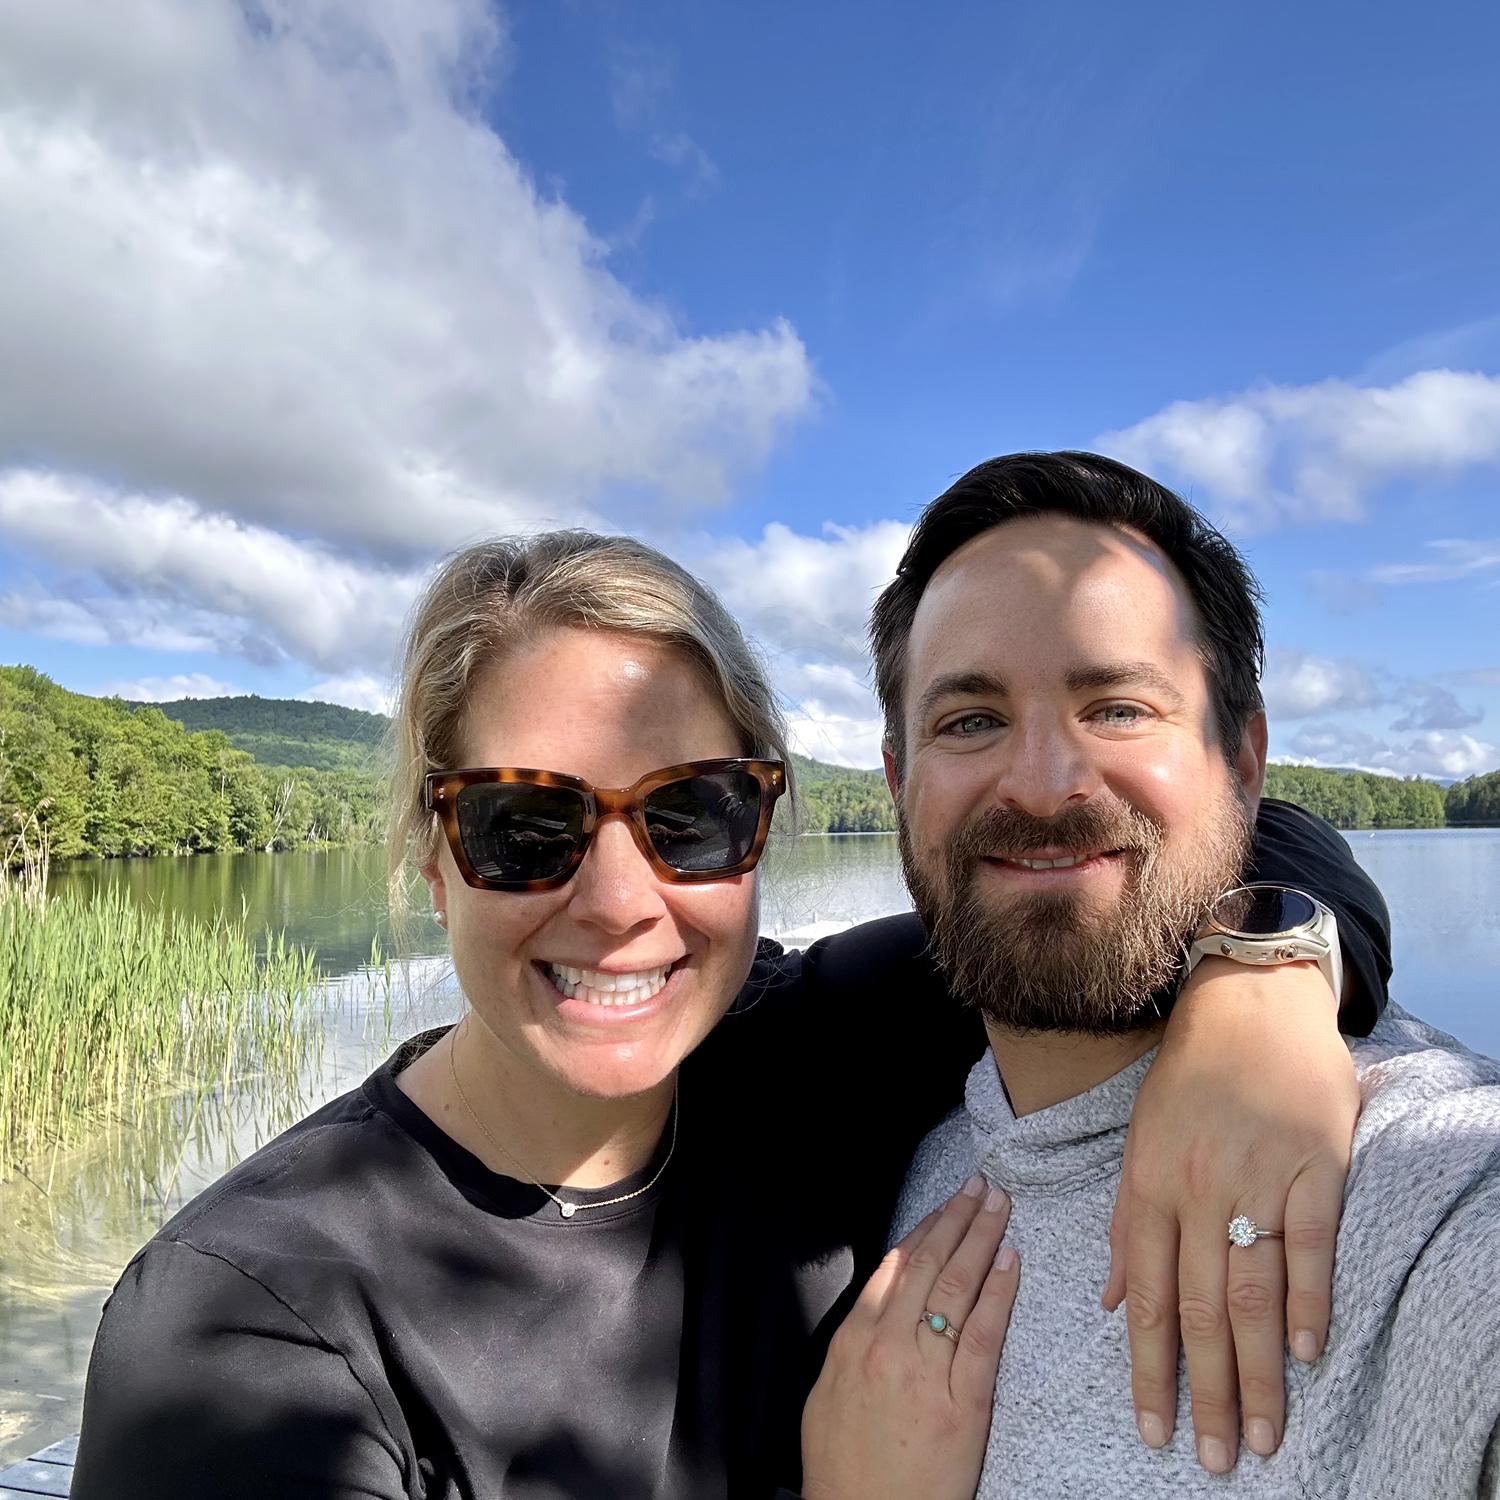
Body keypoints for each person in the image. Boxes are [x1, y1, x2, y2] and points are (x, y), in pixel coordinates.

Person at [70, 529, 1390, 1499]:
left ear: (760, 826)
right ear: (431, 856)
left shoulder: (811, 1045)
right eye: (527, 825)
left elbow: (1223, 837)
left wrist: (1257, 982)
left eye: (689, 813)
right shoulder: (255, 1326)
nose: (620, 902)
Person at [862, 451, 1500, 1496]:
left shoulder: (1425, 1182)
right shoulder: (859, 1118)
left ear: (1243, 762)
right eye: (969, 720)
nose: (1042, 783)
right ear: (898, 779)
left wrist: (1269, 955)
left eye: (1116, 706)